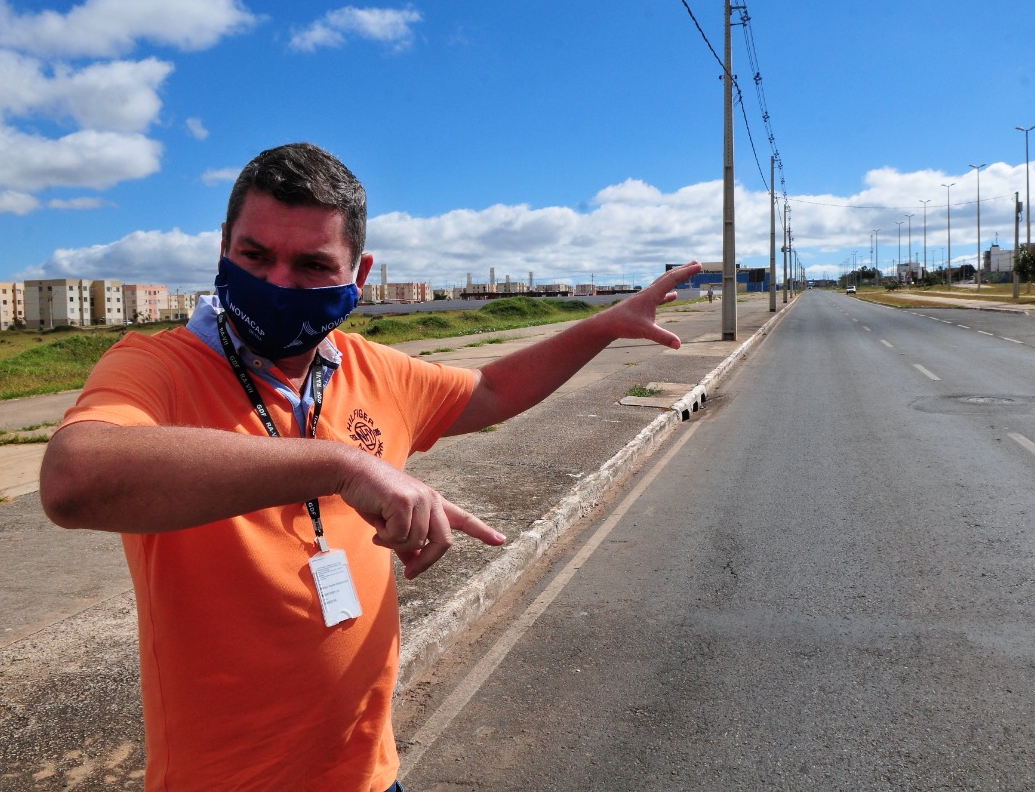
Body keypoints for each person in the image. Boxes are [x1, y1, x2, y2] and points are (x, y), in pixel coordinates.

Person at [39, 142, 702, 792]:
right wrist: (338, 464)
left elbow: (493, 392)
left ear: (359, 277)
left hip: (367, 773)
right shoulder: (157, 368)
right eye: (254, 255)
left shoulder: (371, 369)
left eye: (311, 265)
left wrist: (602, 326)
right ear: (222, 247)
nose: (276, 283)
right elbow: (75, 481)